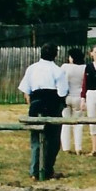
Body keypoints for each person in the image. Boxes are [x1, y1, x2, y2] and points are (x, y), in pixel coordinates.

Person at [18, 43, 69, 181]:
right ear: (55, 54)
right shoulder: (57, 71)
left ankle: (34, 172)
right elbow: (63, 92)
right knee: (53, 140)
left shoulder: (32, 69)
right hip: (51, 105)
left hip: (36, 104)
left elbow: (26, 92)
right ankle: (47, 170)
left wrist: (33, 105)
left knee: (36, 139)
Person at [60, 48, 86, 155]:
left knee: (65, 123)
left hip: (67, 97)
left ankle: (66, 147)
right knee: (78, 124)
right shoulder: (85, 68)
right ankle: (78, 148)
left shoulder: (65, 67)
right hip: (79, 98)